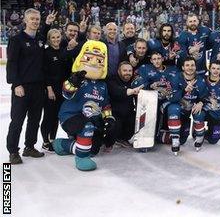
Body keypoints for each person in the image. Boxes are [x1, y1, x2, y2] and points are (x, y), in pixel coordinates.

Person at [54, 41, 116, 171]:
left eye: (99, 60)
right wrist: (73, 83)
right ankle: (81, 158)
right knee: (86, 128)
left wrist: (109, 118)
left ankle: (63, 145)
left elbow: (105, 105)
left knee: (93, 150)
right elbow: (66, 93)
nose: (93, 63)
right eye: (88, 58)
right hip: (71, 117)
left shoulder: (102, 85)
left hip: (92, 120)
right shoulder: (76, 78)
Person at [6, 8, 55, 164]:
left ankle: (29, 146)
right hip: (22, 88)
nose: (35, 21)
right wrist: (16, 84)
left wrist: (47, 24)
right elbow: (12, 64)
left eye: (37, 19)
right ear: (25, 20)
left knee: (34, 120)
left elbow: (44, 37)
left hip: (38, 87)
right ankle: (13, 151)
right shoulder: (17, 39)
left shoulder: (39, 39)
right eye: (32, 19)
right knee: (17, 121)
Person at [132, 52, 182, 154]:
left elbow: (178, 85)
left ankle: (172, 136)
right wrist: (149, 85)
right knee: (150, 121)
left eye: (159, 58)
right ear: (151, 60)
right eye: (154, 59)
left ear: (163, 59)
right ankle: (147, 138)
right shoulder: (145, 68)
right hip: (152, 101)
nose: (157, 61)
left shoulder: (173, 70)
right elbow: (135, 82)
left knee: (174, 111)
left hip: (167, 101)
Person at [41, 29, 71, 152]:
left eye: (58, 37)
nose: (56, 40)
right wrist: (49, 89)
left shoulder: (64, 52)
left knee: (57, 116)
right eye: (53, 37)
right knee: (49, 116)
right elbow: (44, 73)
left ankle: (52, 139)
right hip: (50, 90)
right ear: (49, 39)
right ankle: (45, 141)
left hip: (62, 89)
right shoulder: (46, 53)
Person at [192, 61, 220, 150]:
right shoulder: (202, 80)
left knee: (213, 140)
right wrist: (198, 102)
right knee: (198, 114)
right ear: (209, 68)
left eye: (218, 69)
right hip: (203, 109)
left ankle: (204, 132)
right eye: (213, 68)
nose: (215, 71)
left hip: (216, 113)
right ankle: (198, 130)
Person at [107, 62, 143, 147]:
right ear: (119, 71)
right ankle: (114, 140)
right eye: (125, 70)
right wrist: (133, 91)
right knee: (114, 124)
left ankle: (126, 139)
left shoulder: (134, 81)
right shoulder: (111, 80)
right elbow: (117, 91)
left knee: (138, 118)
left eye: (130, 71)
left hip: (129, 113)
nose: (128, 73)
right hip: (114, 114)